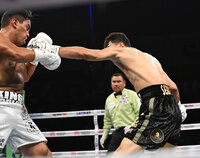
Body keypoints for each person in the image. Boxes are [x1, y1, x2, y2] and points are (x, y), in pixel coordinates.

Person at [28, 32, 187, 155]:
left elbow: (86, 54)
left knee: (120, 154)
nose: (108, 54)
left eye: (108, 48)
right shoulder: (150, 59)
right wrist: (178, 107)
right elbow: (173, 88)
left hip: (155, 106)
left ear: (120, 45)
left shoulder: (121, 51)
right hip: (172, 109)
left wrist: (54, 49)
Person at [0, 8, 61, 156]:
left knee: (42, 154)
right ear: (14, 22)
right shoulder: (8, 46)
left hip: (18, 108)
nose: (28, 34)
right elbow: (15, 55)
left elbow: (24, 76)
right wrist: (41, 53)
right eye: (27, 28)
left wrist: (35, 59)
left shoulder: (19, 50)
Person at [100, 72, 140, 153]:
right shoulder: (109, 99)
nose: (116, 84)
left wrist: (133, 126)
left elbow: (140, 113)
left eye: (119, 81)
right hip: (118, 132)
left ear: (124, 83)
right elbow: (107, 120)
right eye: (114, 82)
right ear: (111, 84)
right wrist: (104, 135)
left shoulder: (132, 95)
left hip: (132, 131)